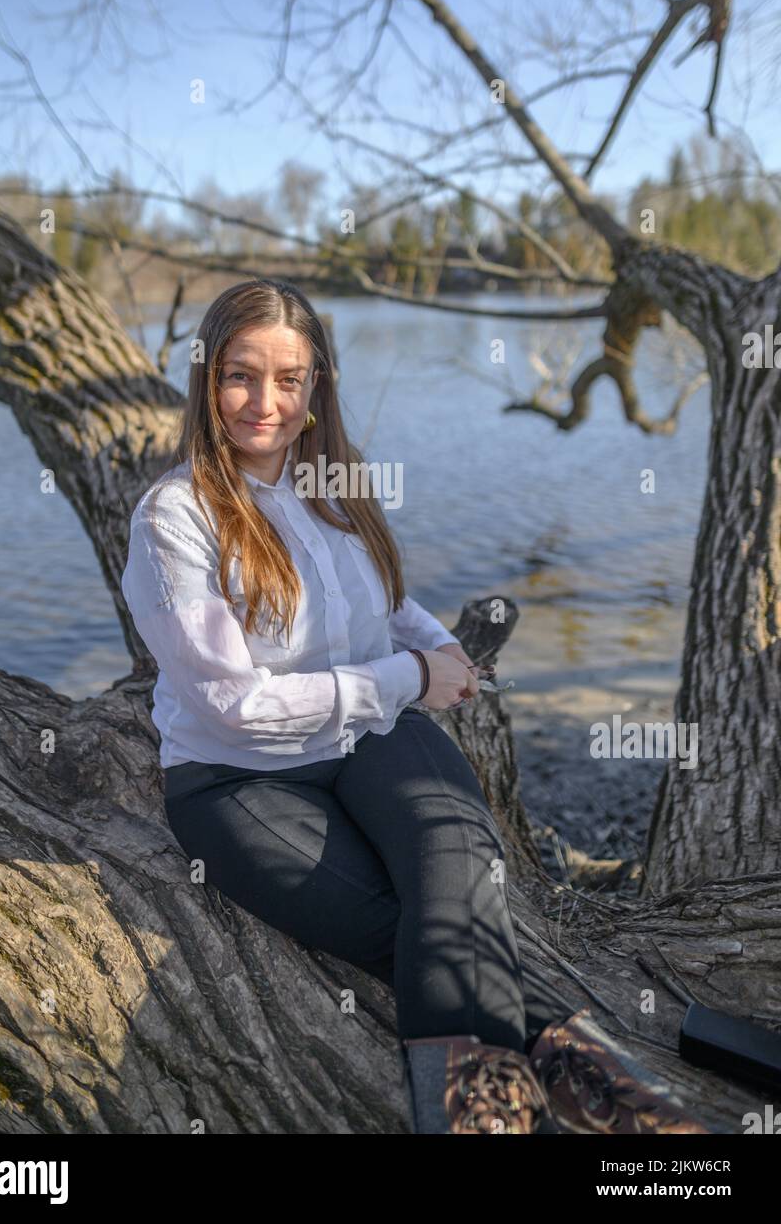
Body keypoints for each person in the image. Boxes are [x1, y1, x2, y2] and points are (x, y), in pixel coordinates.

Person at [121, 277, 710, 1136]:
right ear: (206, 379)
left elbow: (390, 607)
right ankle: (569, 1105)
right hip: (237, 777)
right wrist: (408, 680)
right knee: (411, 923)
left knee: (459, 869)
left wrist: (441, 650)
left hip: (369, 738)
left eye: (291, 380)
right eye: (241, 375)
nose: (265, 403)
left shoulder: (334, 483)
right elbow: (235, 704)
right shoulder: (175, 515)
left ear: (318, 385)